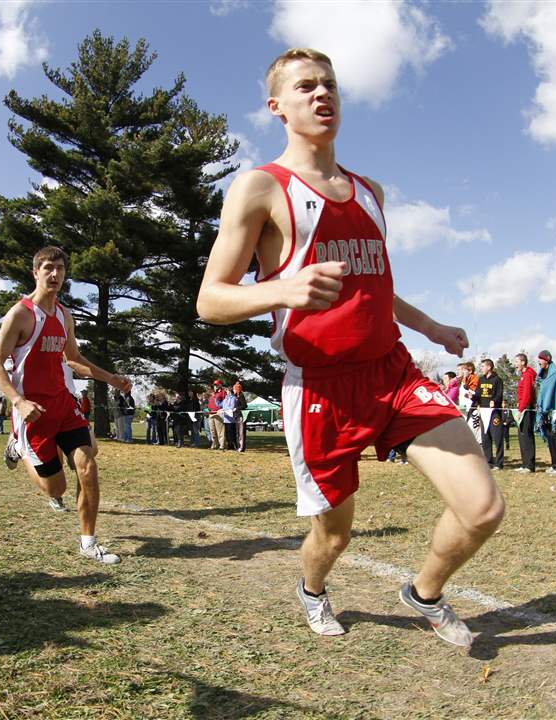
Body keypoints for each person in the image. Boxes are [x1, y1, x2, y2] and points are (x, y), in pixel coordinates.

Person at [196, 48, 502, 645]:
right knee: (335, 536)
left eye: (329, 84)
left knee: (483, 507)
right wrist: (283, 289)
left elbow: (374, 286)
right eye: (305, 86)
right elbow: (210, 300)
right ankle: (313, 590)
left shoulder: (369, 192)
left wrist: (432, 328)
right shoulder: (261, 187)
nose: (321, 94)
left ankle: (425, 592)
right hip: (321, 389)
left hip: (393, 373)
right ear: (276, 106)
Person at [0, 245, 132, 564]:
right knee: (56, 489)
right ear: (35, 273)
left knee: (88, 465)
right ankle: (18, 446)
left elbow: (74, 358)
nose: (55, 274)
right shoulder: (20, 314)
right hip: (34, 413)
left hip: (65, 406)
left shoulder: (65, 315)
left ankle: (88, 543)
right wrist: (18, 401)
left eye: (61, 269)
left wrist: (110, 378)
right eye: (48, 268)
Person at [474, 359, 503, 470]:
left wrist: (494, 401)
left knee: (497, 438)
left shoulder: (497, 380)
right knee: (485, 438)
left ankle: (499, 463)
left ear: (489, 367)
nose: (481, 368)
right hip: (483, 412)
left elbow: (499, 394)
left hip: (494, 413)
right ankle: (488, 462)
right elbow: (478, 394)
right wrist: (472, 397)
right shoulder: (481, 379)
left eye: (483, 366)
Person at [513, 353, 537, 474]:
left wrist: (521, 409)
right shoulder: (523, 375)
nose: (515, 364)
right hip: (523, 408)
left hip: (527, 409)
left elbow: (527, 394)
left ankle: (529, 465)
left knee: (526, 436)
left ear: (523, 362)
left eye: (517, 362)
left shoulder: (528, 375)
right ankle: (524, 463)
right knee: (521, 436)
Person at [458, 362, 481, 444]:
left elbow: (476, 393)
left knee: (474, 428)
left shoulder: (475, 379)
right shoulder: (464, 380)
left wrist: (469, 392)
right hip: (464, 408)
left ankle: (479, 446)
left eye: (465, 370)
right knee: (466, 428)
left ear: (470, 371)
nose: (463, 372)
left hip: (473, 406)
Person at [207, 380, 226, 450]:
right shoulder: (212, 394)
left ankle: (222, 445)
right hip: (211, 414)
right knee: (212, 431)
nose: (215, 386)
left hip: (218, 414)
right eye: (214, 385)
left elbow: (225, 403)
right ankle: (214, 444)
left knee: (220, 431)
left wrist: (221, 410)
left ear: (220, 385)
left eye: (217, 385)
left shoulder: (223, 393)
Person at [233, 381, 248, 452]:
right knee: (238, 432)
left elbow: (244, 405)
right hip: (237, 416)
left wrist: (236, 408)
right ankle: (238, 446)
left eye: (234, 389)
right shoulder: (236, 396)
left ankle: (242, 447)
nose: (233, 390)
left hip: (241, 416)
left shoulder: (241, 395)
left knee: (241, 432)